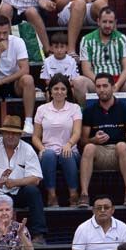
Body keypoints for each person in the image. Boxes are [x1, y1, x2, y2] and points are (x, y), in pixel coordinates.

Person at [0, 115, 46, 245]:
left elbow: (36, 178)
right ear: (2, 133)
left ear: (20, 135)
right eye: (7, 133)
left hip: (17, 193)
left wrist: (15, 183)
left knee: (33, 191)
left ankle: (38, 234)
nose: (10, 136)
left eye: (14, 134)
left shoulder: (27, 149)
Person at [79, 73, 126, 208]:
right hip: (99, 153)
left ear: (113, 87)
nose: (101, 89)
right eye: (98, 86)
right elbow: (83, 141)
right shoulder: (89, 111)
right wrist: (94, 140)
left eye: (105, 86)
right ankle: (84, 194)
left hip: (120, 153)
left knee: (122, 145)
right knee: (88, 148)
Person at [79, 8, 126, 110]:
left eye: (110, 22)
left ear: (115, 23)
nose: (107, 25)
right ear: (98, 21)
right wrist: (101, 84)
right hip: (96, 81)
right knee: (78, 81)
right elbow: (86, 70)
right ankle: (87, 117)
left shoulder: (122, 38)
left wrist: (116, 85)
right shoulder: (87, 40)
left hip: (118, 81)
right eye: (104, 22)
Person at [32, 74, 82, 208]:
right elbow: (35, 136)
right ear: (50, 91)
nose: (59, 92)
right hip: (49, 151)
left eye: (63, 89)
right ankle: (51, 195)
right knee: (48, 155)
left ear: (67, 92)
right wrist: (42, 149)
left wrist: (69, 144)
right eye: (56, 89)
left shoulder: (75, 108)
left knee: (67, 154)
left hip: (70, 150)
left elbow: (77, 132)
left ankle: (73, 194)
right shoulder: (42, 109)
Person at [39, 32, 90, 101]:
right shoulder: (47, 61)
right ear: (51, 48)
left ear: (67, 48)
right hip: (53, 87)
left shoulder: (72, 61)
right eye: (56, 47)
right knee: (48, 94)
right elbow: (47, 80)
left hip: (69, 87)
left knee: (73, 92)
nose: (59, 50)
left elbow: (74, 80)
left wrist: (63, 86)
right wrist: (58, 86)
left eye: (62, 47)